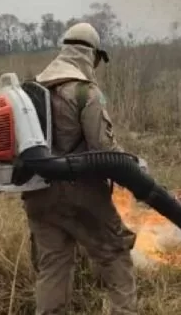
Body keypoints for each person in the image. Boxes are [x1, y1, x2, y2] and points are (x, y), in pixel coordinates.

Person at [22, 22, 138, 315]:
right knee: (115, 254)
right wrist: (132, 166)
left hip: (37, 193)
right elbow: (103, 149)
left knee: (53, 264)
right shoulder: (86, 92)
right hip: (81, 192)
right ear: (91, 55)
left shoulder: (31, 91)